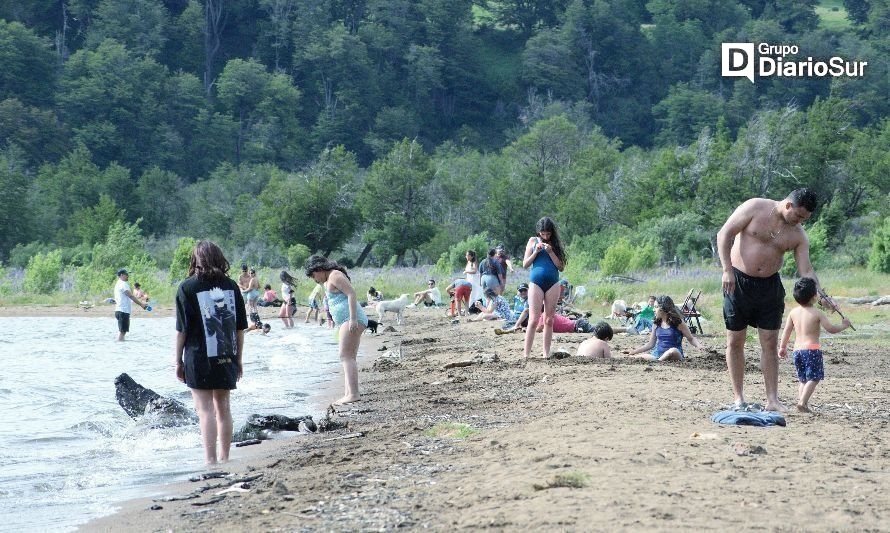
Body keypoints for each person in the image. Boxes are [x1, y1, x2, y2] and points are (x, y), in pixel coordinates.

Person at [717, 188, 823, 411]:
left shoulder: (797, 235)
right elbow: (724, 234)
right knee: (735, 340)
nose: (800, 222)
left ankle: (772, 399)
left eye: (805, 219)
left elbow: (806, 269)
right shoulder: (755, 207)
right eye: (799, 216)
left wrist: (819, 291)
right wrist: (727, 270)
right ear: (788, 206)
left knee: (769, 342)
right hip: (737, 282)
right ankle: (739, 398)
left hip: (769, 287)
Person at [173, 241, 248, 465]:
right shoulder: (232, 286)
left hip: (198, 356)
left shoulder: (187, 287)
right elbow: (239, 328)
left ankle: (210, 461)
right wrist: (239, 359)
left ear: (196, 259)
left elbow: (182, 330)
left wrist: (177, 361)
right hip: (226, 354)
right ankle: (225, 458)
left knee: (204, 410)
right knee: (223, 408)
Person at [779, 277, 852, 413]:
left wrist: (782, 347)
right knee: (814, 378)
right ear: (814, 297)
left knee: (803, 379)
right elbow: (831, 329)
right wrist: (844, 325)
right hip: (812, 349)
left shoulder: (793, 313)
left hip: (797, 350)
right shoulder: (818, 313)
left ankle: (802, 402)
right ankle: (802, 402)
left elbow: (787, 331)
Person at [305, 255, 367, 405]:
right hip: (345, 320)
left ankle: (353, 394)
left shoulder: (335, 275)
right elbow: (334, 300)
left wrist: (352, 319)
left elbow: (351, 294)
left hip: (351, 319)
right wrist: (330, 317)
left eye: (314, 275)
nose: (315, 279)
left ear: (319, 269)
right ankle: (349, 392)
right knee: (348, 356)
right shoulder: (329, 279)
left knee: (346, 356)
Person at [522, 217, 567, 358]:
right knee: (534, 319)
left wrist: (551, 252)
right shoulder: (533, 241)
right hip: (536, 282)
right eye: (543, 234)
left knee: (549, 319)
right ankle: (526, 354)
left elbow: (561, 267)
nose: (546, 236)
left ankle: (546, 353)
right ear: (539, 232)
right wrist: (536, 251)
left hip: (553, 283)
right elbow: (525, 264)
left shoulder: (555, 244)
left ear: (552, 232)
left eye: (548, 234)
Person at [627, 295, 703, 361]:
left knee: (673, 350)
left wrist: (699, 345)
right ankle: (659, 360)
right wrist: (633, 352)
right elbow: (650, 344)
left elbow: (691, 338)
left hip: (674, 355)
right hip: (657, 355)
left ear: (664, 309)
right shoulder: (656, 323)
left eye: (656, 307)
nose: (654, 309)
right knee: (640, 357)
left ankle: (658, 361)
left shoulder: (678, 322)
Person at [113, 268, 148, 341]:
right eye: (126, 274)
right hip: (123, 311)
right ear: (121, 275)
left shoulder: (118, 284)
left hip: (120, 310)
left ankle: (120, 347)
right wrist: (141, 304)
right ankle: (120, 349)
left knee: (122, 332)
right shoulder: (123, 284)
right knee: (122, 332)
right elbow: (130, 296)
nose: (128, 276)